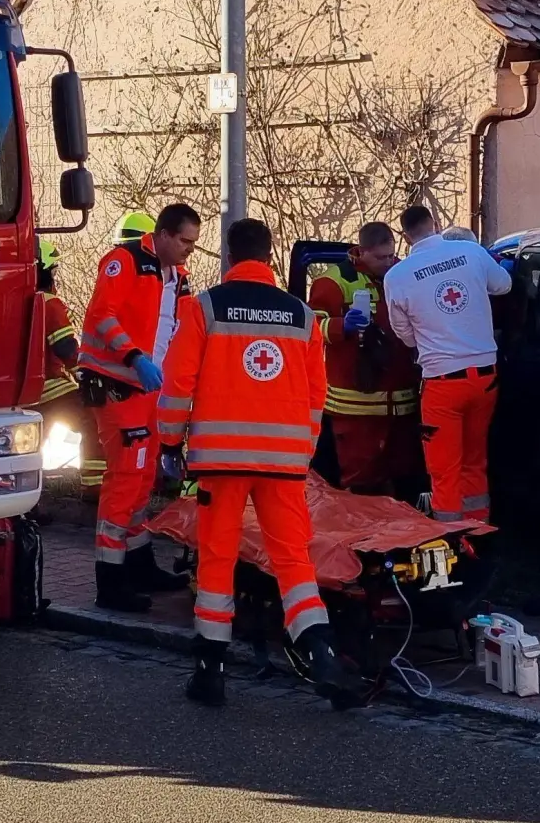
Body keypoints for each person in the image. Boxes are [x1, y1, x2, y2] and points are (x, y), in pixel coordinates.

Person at [156, 218, 364, 709]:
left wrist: (169, 443)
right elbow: (319, 396)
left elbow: (178, 383)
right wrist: (302, 449)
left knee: (218, 560)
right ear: (269, 258)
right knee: (293, 560)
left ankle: (211, 673)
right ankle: (322, 652)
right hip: (285, 464)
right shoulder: (302, 316)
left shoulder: (205, 307)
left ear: (230, 256)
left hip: (220, 463)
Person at [78, 203, 201, 610]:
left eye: (193, 243)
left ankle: (139, 562)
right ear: (163, 235)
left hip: (150, 390)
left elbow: (181, 328)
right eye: (184, 241)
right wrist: (133, 357)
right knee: (125, 479)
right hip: (119, 386)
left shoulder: (176, 278)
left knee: (143, 476)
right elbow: (101, 316)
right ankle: (110, 583)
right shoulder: (125, 261)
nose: (189, 249)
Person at [383, 205, 513, 524]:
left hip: (442, 383)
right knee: (474, 458)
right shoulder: (470, 252)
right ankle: (479, 527)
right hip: (486, 379)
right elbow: (504, 285)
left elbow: (406, 336)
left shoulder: (397, 277)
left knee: (444, 467)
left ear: (404, 235)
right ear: (437, 224)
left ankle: (450, 538)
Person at [306, 221, 425, 498]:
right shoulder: (333, 281)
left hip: (401, 405)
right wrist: (341, 326)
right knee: (360, 486)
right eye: (381, 258)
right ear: (362, 251)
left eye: (391, 256)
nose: (388, 263)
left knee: (405, 481)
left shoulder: (402, 274)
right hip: (354, 408)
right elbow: (312, 327)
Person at [27, 239, 104, 503]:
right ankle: (94, 486)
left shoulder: (12, 300)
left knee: (26, 446)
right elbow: (65, 346)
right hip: (50, 386)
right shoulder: (49, 303)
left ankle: (27, 498)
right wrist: (84, 374)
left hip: (19, 393)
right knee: (92, 416)